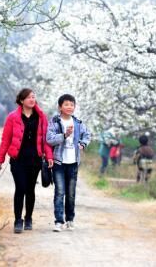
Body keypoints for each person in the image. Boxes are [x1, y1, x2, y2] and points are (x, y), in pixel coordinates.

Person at [0, 89, 53, 233]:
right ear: (21, 100)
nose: (32, 100)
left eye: (33, 97)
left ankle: (28, 218)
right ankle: (17, 220)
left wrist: (49, 156)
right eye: (28, 98)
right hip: (18, 159)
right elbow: (6, 139)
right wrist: (0, 159)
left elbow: (46, 139)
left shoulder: (41, 117)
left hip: (35, 159)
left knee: (30, 189)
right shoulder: (12, 117)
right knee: (20, 188)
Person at [46, 94, 91, 232]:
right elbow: (49, 139)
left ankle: (70, 219)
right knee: (59, 192)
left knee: (71, 194)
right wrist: (64, 135)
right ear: (60, 107)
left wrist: (83, 144)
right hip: (59, 162)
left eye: (72, 104)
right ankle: (59, 221)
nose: (69, 107)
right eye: (66, 104)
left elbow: (87, 135)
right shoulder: (55, 122)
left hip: (73, 163)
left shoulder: (78, 123)